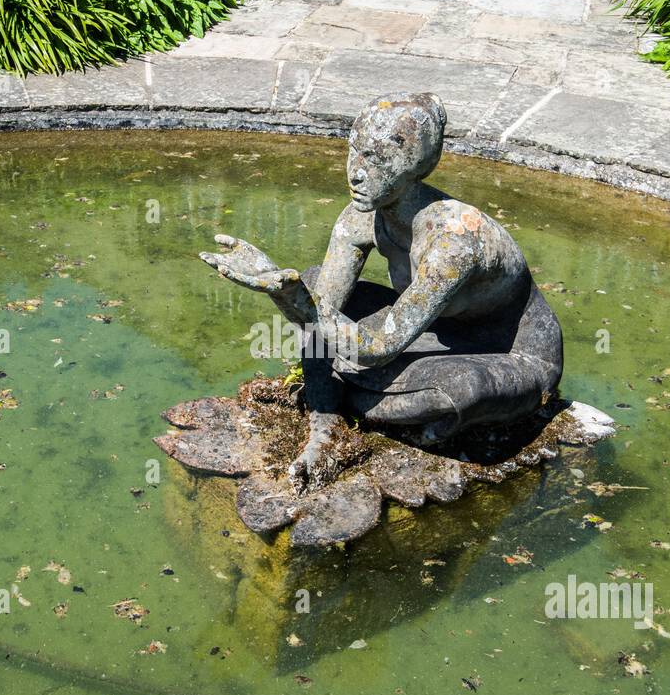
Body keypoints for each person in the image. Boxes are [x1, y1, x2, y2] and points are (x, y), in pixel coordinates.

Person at [201, 92, 562, 491]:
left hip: (510, 353)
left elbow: (377, 347)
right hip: (435, 332)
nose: (355, 173)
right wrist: (323, 424)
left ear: (415, 166)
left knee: (458, 390)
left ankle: (361, 394)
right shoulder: (360, 217)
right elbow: (321, 313)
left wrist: (297, 301)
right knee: (313, 278)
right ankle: (348, 401)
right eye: (353, 152)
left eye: (373, 160)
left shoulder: (453, 241)